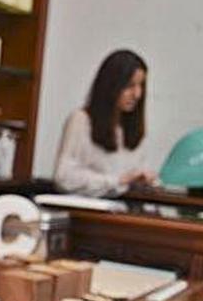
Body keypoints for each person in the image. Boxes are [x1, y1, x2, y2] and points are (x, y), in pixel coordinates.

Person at [54, 49, 158, 197]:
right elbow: (64, 176)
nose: (137, 94)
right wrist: (116, 181)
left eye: (140, 85)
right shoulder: (81, 120)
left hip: (123, 211)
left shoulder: (131, 128)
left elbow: (131, 178)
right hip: (87, 211)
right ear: (111, 85)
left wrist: (143, 180)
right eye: (130, 85)